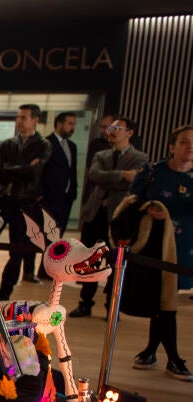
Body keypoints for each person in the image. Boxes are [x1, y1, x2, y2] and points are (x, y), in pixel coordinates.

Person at [119, 125, 193, 380]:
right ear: (172, 146)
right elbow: (132, 201)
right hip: (153, 246)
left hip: (185, 247)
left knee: (165, 301)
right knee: (163, 301)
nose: (190, 147)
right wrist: (149, 208)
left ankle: (151, 351)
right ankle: (172, 358)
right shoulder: (153, 172)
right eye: (184, 142)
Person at [72, 118, 148, 317]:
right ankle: (85, 303)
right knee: (90, 260)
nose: (111, 131)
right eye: (110, 127)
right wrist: (122, 175)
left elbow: (134, 183)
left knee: (116, 263)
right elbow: (95, 175)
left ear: (129, 133)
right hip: (95, 213)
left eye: (117, 128)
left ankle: (111, 307)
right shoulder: (101, 155)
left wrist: (110, 178)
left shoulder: (140, 158)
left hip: (119, 217)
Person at [0, 104, 51, 299]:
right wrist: (23, 169)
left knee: (17, 251)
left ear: (35, 120)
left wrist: (11, 169)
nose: (19, 121)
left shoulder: (43, 145)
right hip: (3, 199)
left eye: (24, 117)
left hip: (25, 202)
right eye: (18, 117)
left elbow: (34, 172)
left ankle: (4, 296)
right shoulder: (8, 144)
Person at [42, 112, 79, 234]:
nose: (73, 127)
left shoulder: (72, 146)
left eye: (74, 124)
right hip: (49, 198)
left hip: (66, 199)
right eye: (70, 123)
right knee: (45, 235)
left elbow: (72, 171)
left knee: (58, 234)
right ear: (59, 124)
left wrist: (72, 192)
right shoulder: (45, 143)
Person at [81, 113, 115, 207]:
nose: (102, 130)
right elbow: (93, 168)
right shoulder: (97, 144)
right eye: (101, 127)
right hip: (95, 193)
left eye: (105, 127)